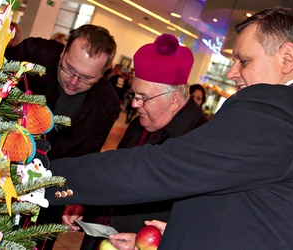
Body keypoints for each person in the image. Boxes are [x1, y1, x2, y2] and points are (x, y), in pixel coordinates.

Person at [46, 6, 293, 249]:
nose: (231, 73)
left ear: (287, 58)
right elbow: (264, 215)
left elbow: (158, 169)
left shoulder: (277, 110)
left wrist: (44, 179)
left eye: (244, 60)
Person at [62, 33, 208, 250]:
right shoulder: (144, 120)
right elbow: (116, 174)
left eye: (143, 98)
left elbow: (198, 222)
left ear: (174, 100)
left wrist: (149, 242)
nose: (134, 105)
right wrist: (85, 202)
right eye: (134, 95)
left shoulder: (201, 140)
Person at [5, 24, 120, 250]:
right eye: (68, 69)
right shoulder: (33, 55)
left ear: (105, 72)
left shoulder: (106, 103)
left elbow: (86, 157)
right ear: (64, 49)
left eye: (87, 78)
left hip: (48, 199)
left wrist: (74, 198)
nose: (74, 82)